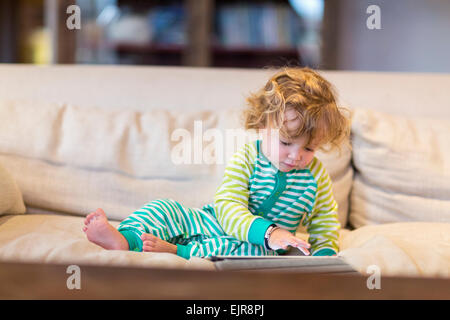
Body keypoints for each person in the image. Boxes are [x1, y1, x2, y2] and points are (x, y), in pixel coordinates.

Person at [83, 67, 350, 258]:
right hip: (213, 222)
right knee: (164, 208)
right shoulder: (247, 158)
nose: (296, 155)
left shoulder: (316, 176)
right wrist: (269, 232)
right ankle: (125, 240)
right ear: (261, 125)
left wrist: (325, 254)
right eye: (285, 143)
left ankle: (180, 251)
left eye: (310, 147)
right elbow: (228, 206)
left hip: (258, 246)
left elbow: (325, 220)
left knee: (249, 253)